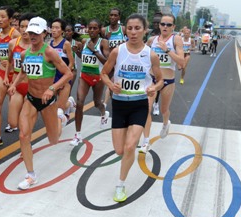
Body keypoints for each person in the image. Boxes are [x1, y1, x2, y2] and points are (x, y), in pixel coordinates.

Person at [101, 14, 163, 202]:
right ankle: (125, 164)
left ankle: (120, 185)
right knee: (119, 150)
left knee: (130, 147)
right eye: (130, 28)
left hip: (139, 105)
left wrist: (154, 87)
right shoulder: (117, 52)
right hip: (119, 105)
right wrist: (111, 85)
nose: (133, 32)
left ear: (145, 31)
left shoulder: (150, 54)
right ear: (125, 30)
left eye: (137, 28)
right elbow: (104, 73)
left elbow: (160, 80)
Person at [7, 17, 73, 190]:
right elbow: (22, 72)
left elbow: (68, 74)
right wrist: (14, 85)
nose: (33, 35)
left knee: (53, 140)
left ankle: (61, 118)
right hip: (31, 99)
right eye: (30, 32)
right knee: (23, 135)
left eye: (37, 32)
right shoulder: (24, 54)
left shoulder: (49, 52)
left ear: (44, 33)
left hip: (48, 101)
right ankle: (30, 175)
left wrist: (52, 88)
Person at [139, 14, 184, 153]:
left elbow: (181, 62)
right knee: (146, 108)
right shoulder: (152, 40)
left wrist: (167, 49)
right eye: (163, 24)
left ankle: (166, 123)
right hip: (152, 80)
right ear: (159, 25)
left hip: (168, 81)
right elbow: (141, 52)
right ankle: (146, 142)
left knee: (164, 110)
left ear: (173, 27)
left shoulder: (176, 39)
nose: (165, 27)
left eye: (168, 25)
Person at [70, 19, 111, 146]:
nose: (92, 31)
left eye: (95, 28)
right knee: (80, 102)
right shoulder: (84, 41)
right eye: (90, 28)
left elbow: (106, 62)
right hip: (84, 76)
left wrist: (95, 50)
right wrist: (77, 52)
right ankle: (78, 135)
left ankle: (103, 112)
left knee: (96, 102)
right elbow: (84, 57)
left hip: (98, 77)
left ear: (99, 30)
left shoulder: (103, 42)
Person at [0, 6, 21, 145]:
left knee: (14, 106)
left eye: (3, 17)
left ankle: (21, 132)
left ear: (10, 19)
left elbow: (21, 53)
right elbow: (0, 52)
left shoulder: (15, 35)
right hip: (2, 73)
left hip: (15, 75)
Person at [5, 13, 34, 132]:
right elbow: (9, 61)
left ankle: (27, 145)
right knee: (12, 122)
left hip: (31, 87)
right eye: (22, 26)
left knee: (25, 122)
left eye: (27, 27)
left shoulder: (37, 46)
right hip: (16, 86)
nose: (24, 30)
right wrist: (7, 76)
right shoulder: (13, 43)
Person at [49, 18, 76, 125]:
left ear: (62, 31)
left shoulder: (66, 44)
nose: (54, 30)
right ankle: (69, 103)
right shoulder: (49, 44)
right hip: (53, 78)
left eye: (57, 28)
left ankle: (70, 102)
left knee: (60, 107)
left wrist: (65, 78)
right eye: (52, 28)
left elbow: (71, 63)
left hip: (64, 78)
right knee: (51, 105)